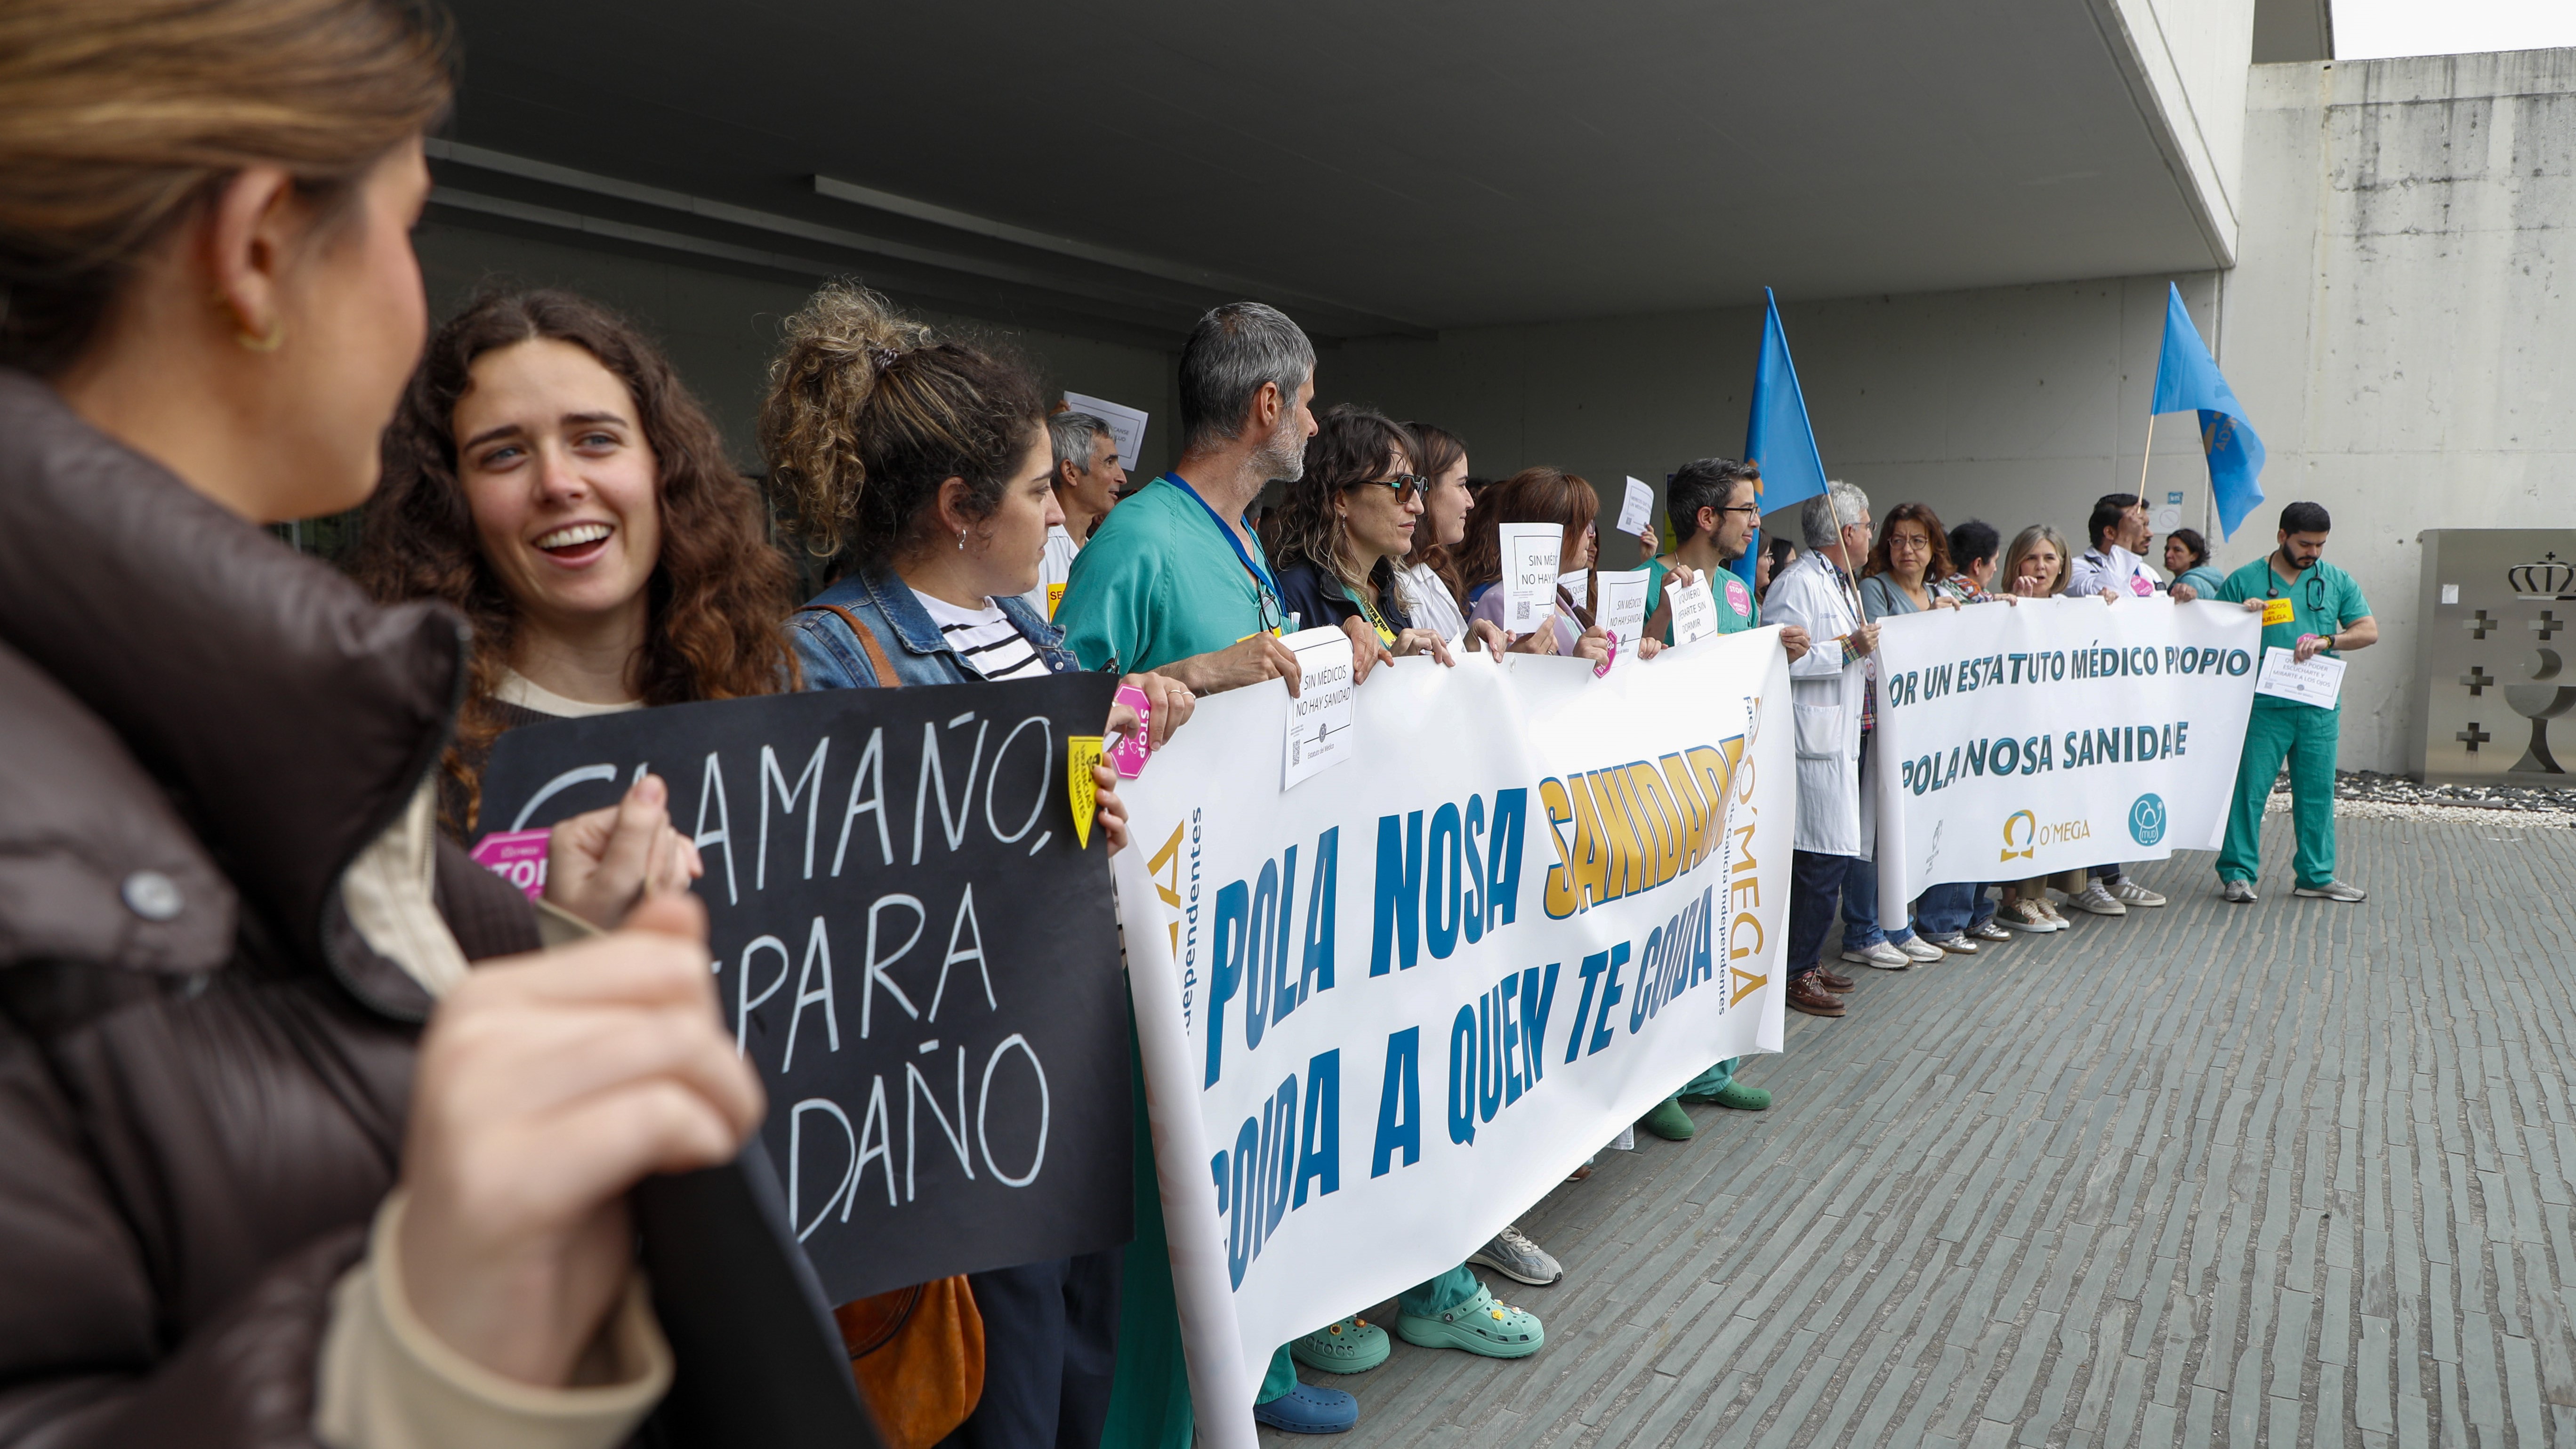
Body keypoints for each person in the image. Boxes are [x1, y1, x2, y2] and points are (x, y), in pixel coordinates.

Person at [0, 5, 765, 1445]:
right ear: (262, 248)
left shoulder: (286, 743)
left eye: (598, 441)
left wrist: (559, 947)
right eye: (408, 226)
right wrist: (406, 1373)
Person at [759, 282, 1175, 1449]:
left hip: (1066, 1061)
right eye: (1042, 489)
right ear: (958, 507)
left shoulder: (1026, 630)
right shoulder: (831, 654)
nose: (1060, 515)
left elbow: (1063, 798)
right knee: (999, 1386)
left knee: (1074, 1363)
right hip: (952, 1105)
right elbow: (821, 908)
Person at [1052, 302, 1368, 1438]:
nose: (1318, 421)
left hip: (1244, 939)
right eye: (1311, 398)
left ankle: (1234, 1377)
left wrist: (1345, 661)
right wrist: (1194, 670)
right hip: (1157, 955)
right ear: (1266, 406)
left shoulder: (1240, 541)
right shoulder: (1138, 542)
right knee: (1163, 1208)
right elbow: (1064, 740)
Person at [354, 289, 801, 837]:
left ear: (663, 465)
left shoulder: (765, 713)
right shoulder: (399, 764)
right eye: (504, 454)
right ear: (451, 499)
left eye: (595, 439)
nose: (558, 484)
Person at [1628, 459, 1811, 1138]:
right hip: (1666, 795)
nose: (1757, 521)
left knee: (1718, 927)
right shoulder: (1644, 583)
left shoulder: (1739, 592)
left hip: (1732, 794)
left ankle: (1710, 1070)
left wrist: (1777, 651)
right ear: (1708, 519)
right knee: (1669, 936)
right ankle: (1658, 1082)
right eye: (1746, 510)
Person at [2213, 501, 2377, 903]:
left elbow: (2368, 631)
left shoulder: (2336, 580)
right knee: (2250, 791)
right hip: (2263, 707)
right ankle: (2237, 874)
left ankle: (2315, 876)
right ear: (2282, 536)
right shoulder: (2246, 580)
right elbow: (2210, 631)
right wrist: (2240, 616)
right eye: (2305, 544)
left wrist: (2329, 641)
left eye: (2321, 545)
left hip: (2318, 707)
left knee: (2317, 792)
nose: (2314, 553)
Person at [1857, 505, 2001, 956]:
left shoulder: (1942, 592)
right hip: (1886, 731)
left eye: (1918, 541)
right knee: (1876, 833)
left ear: (1934, 547)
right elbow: (1882, 645)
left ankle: (1900, 925)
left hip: (1931, 736)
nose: (1907, 550)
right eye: (1898, 540)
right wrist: (1929, 623)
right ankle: (1868, 927)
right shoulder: (1875, 589)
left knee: (1916, 828)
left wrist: (2003, 606)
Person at [1764, 483, 1885, 1019]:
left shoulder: (1841, 581)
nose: (1871, 535)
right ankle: (1796, 973)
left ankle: (1805, 962)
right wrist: (1847, 650)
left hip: (1839, 736)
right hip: (1810, 742)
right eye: (1867, 525)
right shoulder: (1797, 583)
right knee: (1819, 862)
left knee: (1830, 858)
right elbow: (1778, 657)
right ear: (1848, 532)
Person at [1268, 404, 1454, 663]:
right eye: (1401, 487)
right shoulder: (1294, 593)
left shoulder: (1386, 586)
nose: (1418, 507)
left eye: (1417, 488)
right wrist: (1391, 671)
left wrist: (1471, 650)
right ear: (1341, 498)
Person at [2058, 497, 2172, 918]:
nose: (2149, 532)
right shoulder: (2079, 568)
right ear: (2111, 532)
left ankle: (2112, 875)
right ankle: (2081, 883)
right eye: (2139, 523)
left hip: (2131, 701)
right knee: (2089, 789)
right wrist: (2123, 548)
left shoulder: (2147, 572)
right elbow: (2101, 597)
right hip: (2086, 703)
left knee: (2120, 785)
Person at [1988, 526, 2086, 933]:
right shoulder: (2002, 605)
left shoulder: (2071, 609)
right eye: (2032, 558)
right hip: (2018, 731)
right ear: (2017, 563)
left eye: (2049, 558)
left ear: (2063, 564)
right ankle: (2013, 899)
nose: (2041, 566)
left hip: (2059, 729)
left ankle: (2039, 894)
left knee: (2053, 809)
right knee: (2021, 809)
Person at [1457, 467, 1612, 662]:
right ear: (1552, 530)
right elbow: (1494, 687)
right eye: (1585, 523)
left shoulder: (1559, 596)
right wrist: (1577, 666)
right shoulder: (1499, 601)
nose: (1592, 534)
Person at [1024, 408, 1127, 619]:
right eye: (1110, 463)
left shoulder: (1093, 549)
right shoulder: (1038, 553)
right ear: (1071, 472)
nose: (1122, 478)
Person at [1393, 420, 1473, 641]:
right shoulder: (1399, 586)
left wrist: (1475, 646)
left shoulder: (1429, 571)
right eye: (1461, 485)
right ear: (1425, 491)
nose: (1470, 501)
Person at [1945, 518, 2004, 601]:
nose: (1995, 569)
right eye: (1995, 561)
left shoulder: (1935, 594)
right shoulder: (1949, 603)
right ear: (1978, 565)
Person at [2166, 526, 2226, 599]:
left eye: (2177, 550)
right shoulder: (2197, 579)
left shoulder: (2190, 581)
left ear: (2194, 556)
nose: (2168, 555)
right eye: (2167, 549)